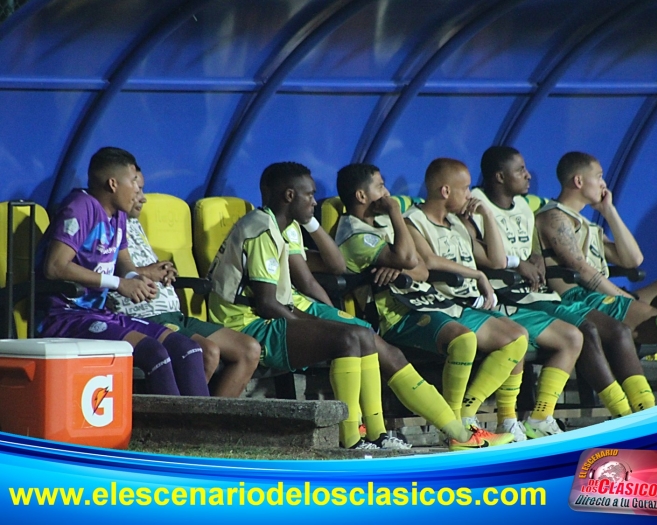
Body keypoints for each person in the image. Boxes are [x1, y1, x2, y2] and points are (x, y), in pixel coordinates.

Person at [208, 162, 482, 450]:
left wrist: (330, 319)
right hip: (246, 322)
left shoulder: (286, 226)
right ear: (289, 196)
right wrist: (323, 328)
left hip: (282, 308)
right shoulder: (261, 230)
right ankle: (353, 439)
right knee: (349, 338)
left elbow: (307, 282)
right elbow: (266, 303)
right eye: (309, 195)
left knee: (361, 332)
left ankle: (380, 434)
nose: (315, 202)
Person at [335, 162, 528, 445]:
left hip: (424, 303)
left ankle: (461, 422)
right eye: (380, 186)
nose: (387, 194)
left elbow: (421, 269)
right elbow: (410, 260)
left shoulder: (381, 223)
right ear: (361, 196)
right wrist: (396, 218)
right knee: (463, 340)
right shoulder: (356, 233)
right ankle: (456, 428)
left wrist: (400, 265)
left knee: (517, 337)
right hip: (394, 316)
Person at [402, 158, 582, 439]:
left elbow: (496, 260)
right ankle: (463, 417)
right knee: (511, 337)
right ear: (445, 191)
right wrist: (476, 275)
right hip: (441, 305)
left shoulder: (458, 222)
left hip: (470, 305)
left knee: (517, 336)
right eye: (465, 189)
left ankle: (473, 412)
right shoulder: (413, 221)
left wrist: (485, 214)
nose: (470, 195)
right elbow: (429, 260)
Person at [472, 146, 655, 417]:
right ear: (500, 176)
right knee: (593, 331)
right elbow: (484, 255)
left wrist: (534, 258)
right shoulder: (477, 205)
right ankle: (625, 413)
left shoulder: (524, 207)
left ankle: (641, 409)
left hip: (537, 294)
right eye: (520, 170)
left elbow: (634, 260)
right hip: (508, 298)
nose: (528, 175)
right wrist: (518, 263)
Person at [37, 147, 209, 396]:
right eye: (134, 183)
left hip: (100, 313)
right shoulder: (80, 207)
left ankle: (200, 422)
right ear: (113, 184)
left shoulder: (119, 216)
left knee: (188, 349)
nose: (140, 193)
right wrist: (119, 283)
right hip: (64, 317)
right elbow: (55, 266)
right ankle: (167, 423)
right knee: (154, 353)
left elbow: (124, 263)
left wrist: (136, 279)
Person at [536, 151, 657, 400]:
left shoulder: (589, 225)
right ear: (579, 181)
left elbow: (633, 259)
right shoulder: (554, 217)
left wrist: (609, 211)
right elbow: (582, 269)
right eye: (599, 176)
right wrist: (626, 299)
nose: (604, 184)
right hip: (583, 300)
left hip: (606, 296)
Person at [107, 169, 261, 397]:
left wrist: (163, 271)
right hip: (143, 315)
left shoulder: (132, 222)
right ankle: (188, 418)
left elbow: (136, 265)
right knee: (207, 352)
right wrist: (148, 272)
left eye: (142, 190)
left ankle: (215, 417)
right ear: (115, 186)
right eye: (136, 190)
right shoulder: (101, 223)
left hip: (174, 313)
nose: (142, 198)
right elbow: (105, 272)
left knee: (249, 349)